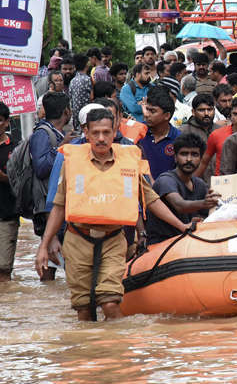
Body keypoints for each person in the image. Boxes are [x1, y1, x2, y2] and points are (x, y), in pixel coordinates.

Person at [34, 107, 189, 320]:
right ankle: (92, 349)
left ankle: (118, 350)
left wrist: (182, 227)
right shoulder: (72, 163)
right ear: (86, 132)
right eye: (95, 133)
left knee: (110, 302)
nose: (101, 138)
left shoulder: (129, 161)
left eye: (106, 132)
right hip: (78, 241)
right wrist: (45, 245)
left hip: (113, 240)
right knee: (84, 309)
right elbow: (59, 206)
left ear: (115, 131)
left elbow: (151, 199)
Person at [145, 133, 220, 245]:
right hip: (161, 245)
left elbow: (207, 215)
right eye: (184, 154)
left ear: (201, 158)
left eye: (194, 155)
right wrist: (204, 203)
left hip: (187, 243)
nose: (189, 159)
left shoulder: (200, 185)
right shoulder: (166, 180)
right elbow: (180, 205)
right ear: (175, 157)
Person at [29, 92, 73, 240]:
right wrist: (62, 146)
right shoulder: (42, 133)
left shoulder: (60, 133)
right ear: (66, 111)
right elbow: (41, 168)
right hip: (50, 206)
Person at [196, 95, 237, 179]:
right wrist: (190, 183)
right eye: (235, 114)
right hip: (222, 183)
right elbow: (204, 162)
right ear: (230, 114)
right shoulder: (217, 135)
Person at [138, 86, 180, 179]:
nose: (147, 114)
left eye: (152, 111)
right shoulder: (138, 132)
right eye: (147, 109)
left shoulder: (178, 139)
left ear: (167, 115)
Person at [0, 101, 17, 281]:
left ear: (6, 122)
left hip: (7, 214)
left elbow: (22, 180)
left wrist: (5, 178)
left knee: (3, 269)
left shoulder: (15, 148)